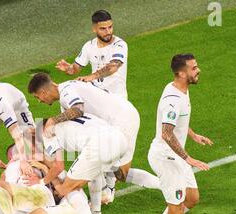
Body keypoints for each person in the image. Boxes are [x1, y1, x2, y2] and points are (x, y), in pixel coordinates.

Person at [27, 72, 160, 205]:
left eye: (37, 97)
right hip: (115, 122)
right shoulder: (69, 88)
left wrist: (52, 120)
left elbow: (78, 108)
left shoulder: (67, 92)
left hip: (121, 120)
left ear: (43, 92)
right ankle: (103, 198)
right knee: (102, 164)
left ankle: (168, 187)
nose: (40, 101)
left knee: (120, 174)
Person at [137, 54, 213, 214]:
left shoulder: (180, 89)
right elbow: (167, 133)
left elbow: (178, 122)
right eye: (194, 68)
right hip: (166, 158)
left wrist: (192, 134)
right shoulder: (173, 99)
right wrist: (188, 158)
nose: (198, 70)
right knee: (176, 205)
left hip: (176, 156)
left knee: (192, 198)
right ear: (182, 73)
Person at [56, 10, 128, 99]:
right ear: (94, 29)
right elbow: (75, 69)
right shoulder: (89, 46)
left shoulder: (119, 45)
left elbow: (113, 67)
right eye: (103, 28)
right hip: (97, 97)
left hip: (117, 99)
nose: (108, 31)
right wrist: (69, 68)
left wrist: (91, 77)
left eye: (110, 27)